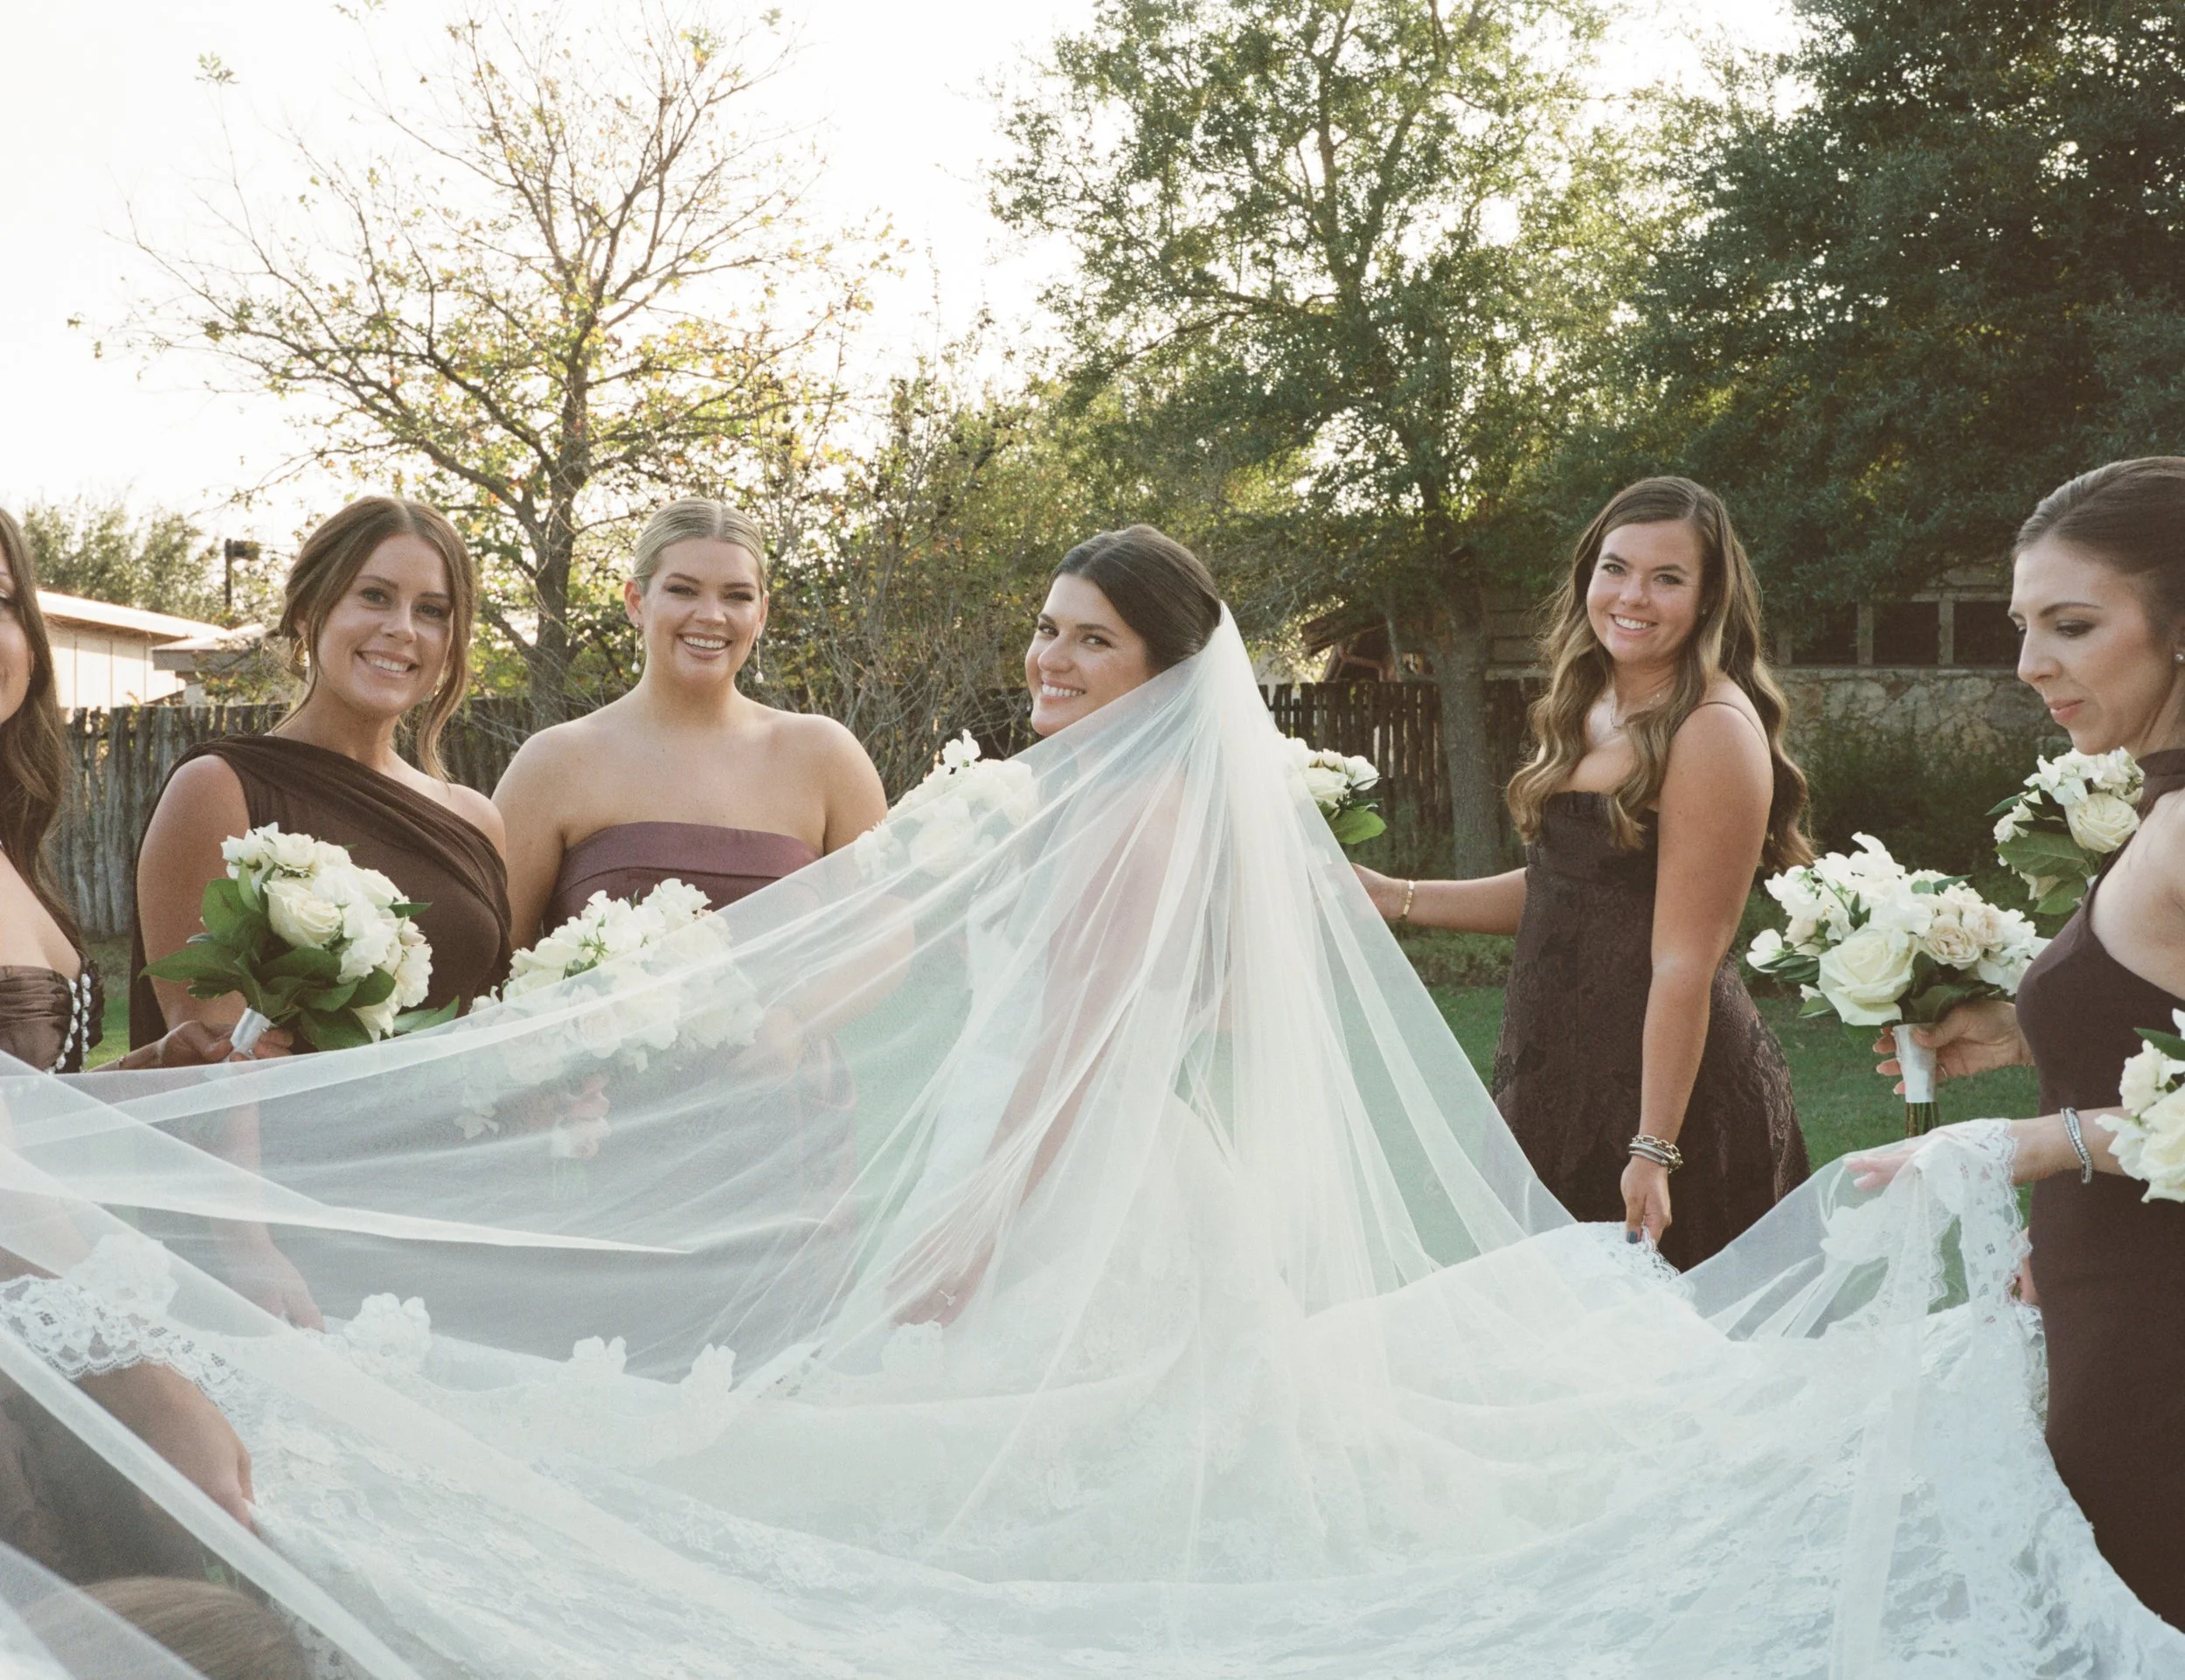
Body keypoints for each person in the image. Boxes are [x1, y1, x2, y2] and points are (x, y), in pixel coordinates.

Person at [2, 526, 2178, 1671]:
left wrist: (974, 1221)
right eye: (1039, 637)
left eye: (1076, 645)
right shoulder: (1069, 787)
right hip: (1059, 1167)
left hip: (1100, 1189)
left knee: (1087, 1503)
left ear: (1157, 671)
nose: (1044, 668)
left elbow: (1090, 1047)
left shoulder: (1131, 814)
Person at [1857, 457, 2185, 1628]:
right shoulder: (2158, 805)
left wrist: (2028, 1147)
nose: (2029, 662)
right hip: (2107, 1299)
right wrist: (2015, 1027)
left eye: (2073, 623)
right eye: (2022, 625)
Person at [1355, 477, 1810, 1267]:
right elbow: (1570, 892)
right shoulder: (1593, 700)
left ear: (1708, 599)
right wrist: (1398, 898)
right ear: (1587, 578)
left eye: (1667, 578)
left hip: (1667, 1101)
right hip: (1557, 1069)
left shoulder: (1711, 730)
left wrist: (1655, 1149)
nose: (1633, 596)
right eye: (1616, 568)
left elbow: (1684, 961)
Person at [130, 495, 511, 1054]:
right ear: (309, 610)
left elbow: (497, 1037)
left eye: (432, 610)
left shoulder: (475, 818)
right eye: (375, 596)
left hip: (465, 1138)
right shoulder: (220, 789)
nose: (403, 628)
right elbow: (209, 1063)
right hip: (296, 1143)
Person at [493, 497, 885, 946]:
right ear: (636, 601)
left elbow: (884, 943)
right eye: (683, 590)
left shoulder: (826, 757)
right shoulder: (554, 762)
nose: (711, 616)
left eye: (737, 596)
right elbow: (493, 966)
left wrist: (791, 1019)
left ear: (761, 615)